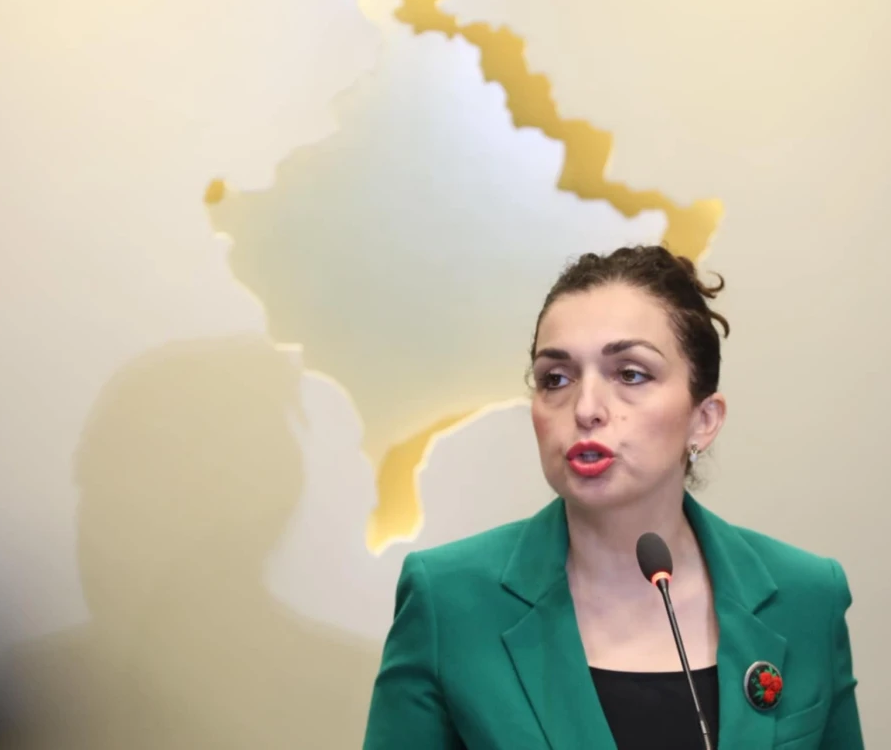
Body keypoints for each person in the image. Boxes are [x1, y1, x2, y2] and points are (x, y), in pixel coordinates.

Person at [363, 245, 863, 749]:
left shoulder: (806, 597)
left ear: (703, 419)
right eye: (556, 378)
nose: (585, 409)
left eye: (630, 374)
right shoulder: (447, 600)